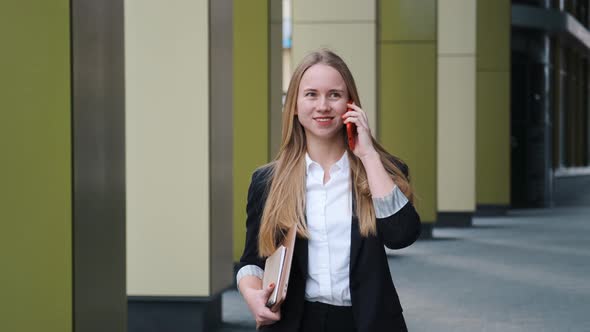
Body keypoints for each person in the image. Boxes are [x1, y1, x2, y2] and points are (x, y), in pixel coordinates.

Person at [236, 49, 421, 332]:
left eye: (334, 95)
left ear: (350, 104)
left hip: (367, 322)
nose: (322, 106)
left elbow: (401, 236)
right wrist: (251, 294)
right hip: (296, 322)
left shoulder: (379, 171)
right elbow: (252, 261)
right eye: (311, 94)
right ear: (295, 106)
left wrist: (369, 155)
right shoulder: (268, 181)